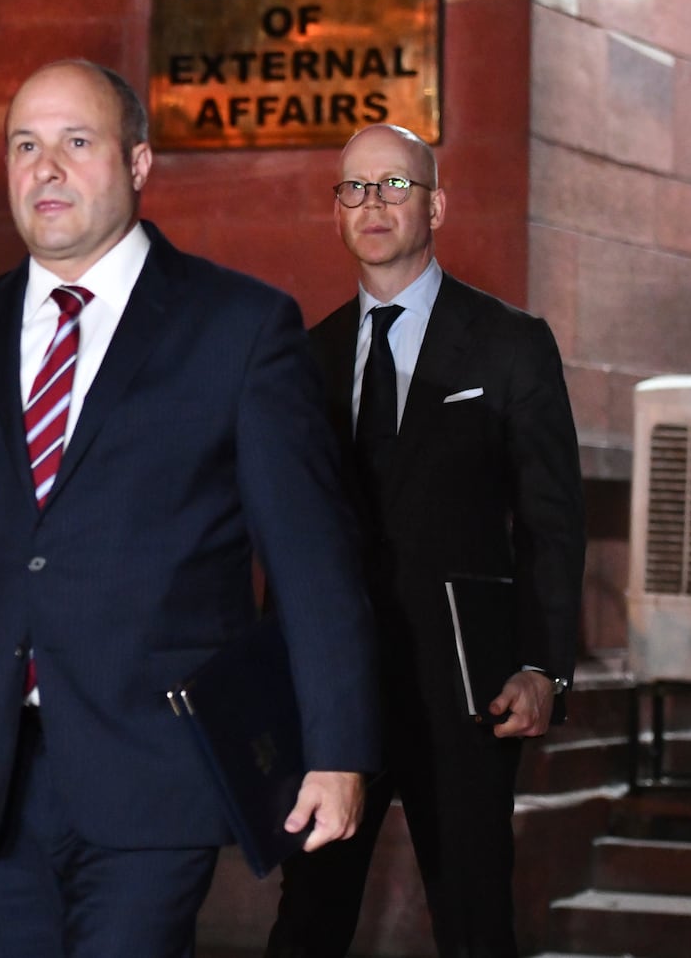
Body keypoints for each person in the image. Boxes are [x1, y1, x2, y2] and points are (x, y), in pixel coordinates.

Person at [0, 59, 381, 958]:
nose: (47, 168)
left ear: (140, 163)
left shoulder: (239, 328)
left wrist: (338, 748)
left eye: (77, 143)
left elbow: (313, 563)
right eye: (25, 146)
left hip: (159, 768)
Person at [264, 124, 585, 958]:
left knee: (475, 920)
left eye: (395, 185)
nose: (373, 204)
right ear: (336, 212)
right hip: (337, 697)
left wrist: (545, 666)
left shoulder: (511, 343)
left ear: (435, 203)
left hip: (468, 690)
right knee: (307, 921)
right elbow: (287, 534)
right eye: (355, 189)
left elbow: (553, 522)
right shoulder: (305, 358)